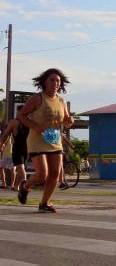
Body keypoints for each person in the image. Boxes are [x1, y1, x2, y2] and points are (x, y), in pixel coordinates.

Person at [17, 68, 74, 213]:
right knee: (42, 174)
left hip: (54, 139)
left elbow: (66, 122)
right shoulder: (38, 98)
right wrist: (35, 126)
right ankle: (24, 186)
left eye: (58, 81)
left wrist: (69, 121)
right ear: (45, 82)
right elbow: (21, 116)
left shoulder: (61, 101)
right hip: (37, 140)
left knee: (55, 173)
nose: (55, 83)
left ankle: (45, 203)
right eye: (52, 80)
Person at [0, 105, 30, 192]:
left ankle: (25, 186)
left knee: (21, 168)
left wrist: (1, 143)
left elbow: (6, 134)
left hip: (18, 148)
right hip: (27, 148)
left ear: (18, 112)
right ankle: (16, 186)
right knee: (21, 168)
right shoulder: (30, 122)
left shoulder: (14, 122)